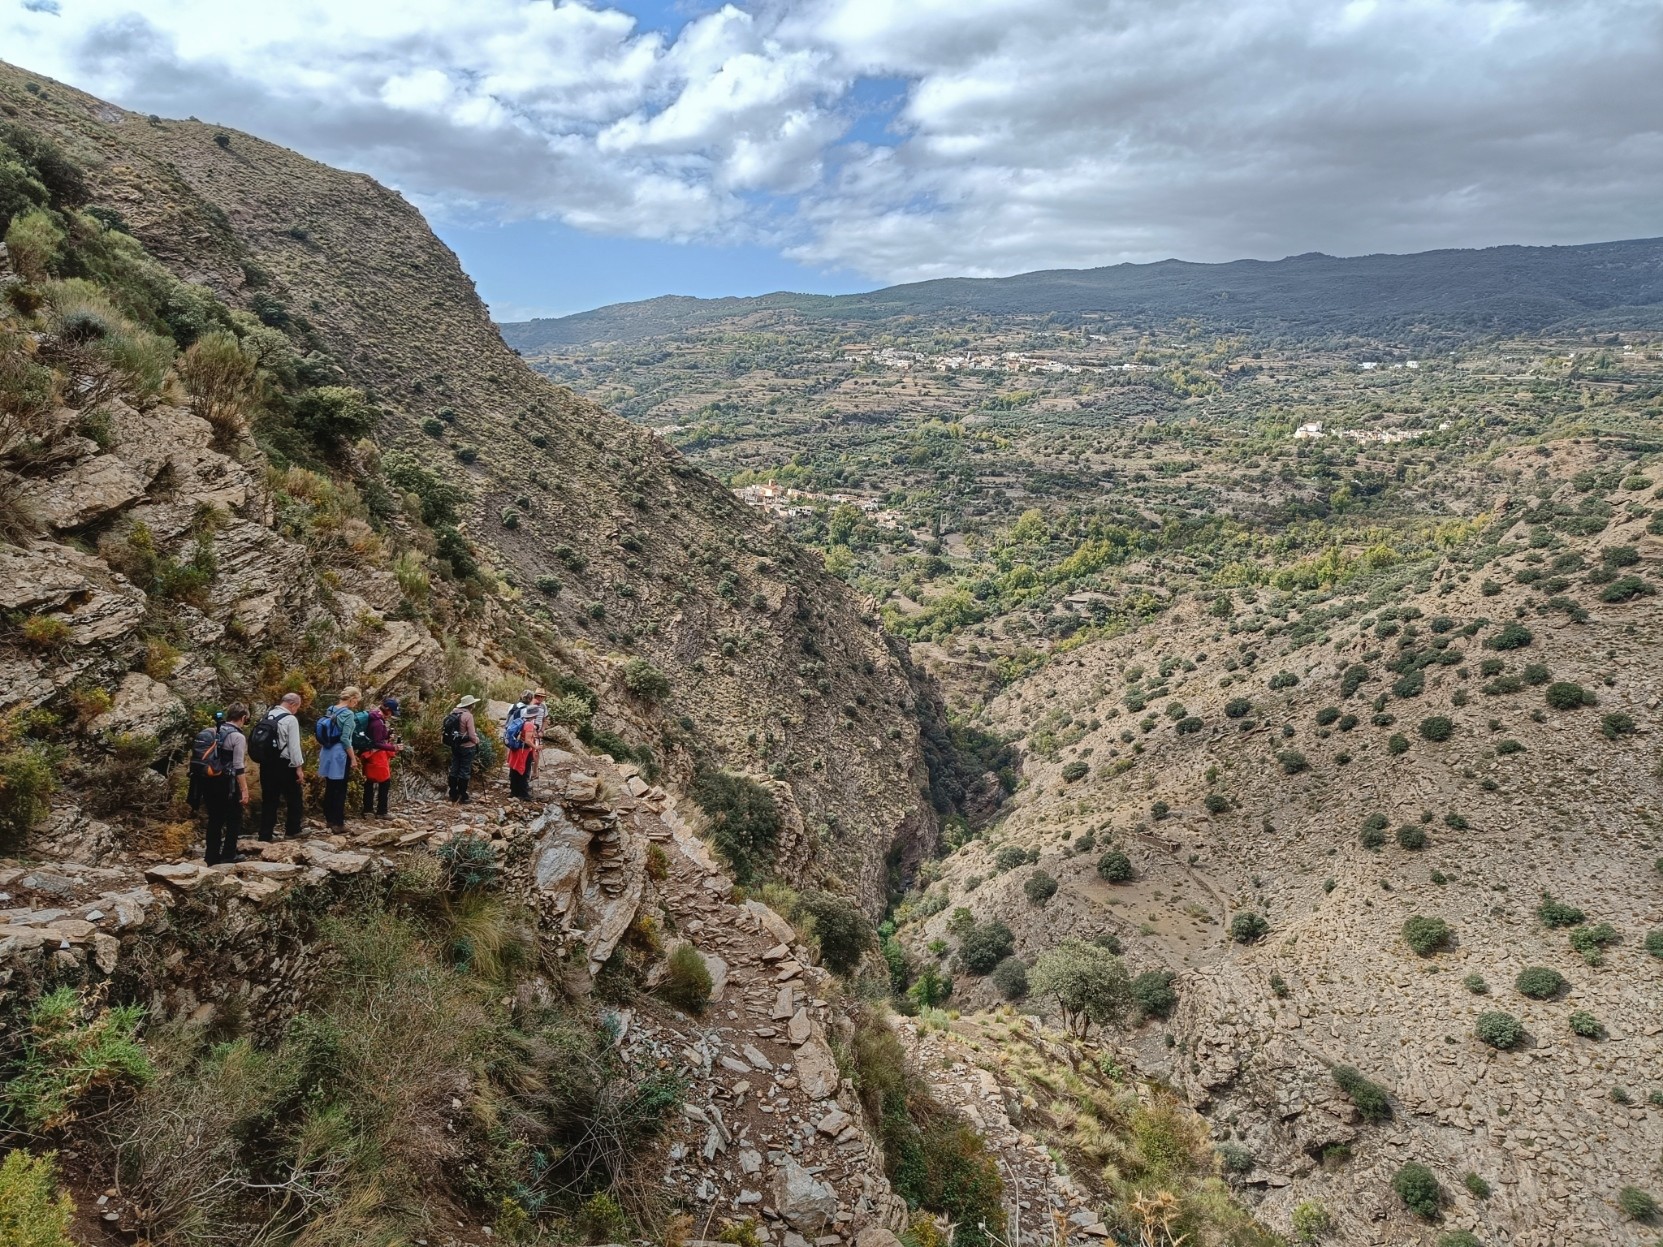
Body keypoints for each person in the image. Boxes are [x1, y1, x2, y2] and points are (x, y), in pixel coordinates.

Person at [253, 692, 305, 841]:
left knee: (269, 799)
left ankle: (265, 834)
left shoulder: (267, 715)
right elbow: (294, 747)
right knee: (294, 797)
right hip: (284, 764)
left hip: (266, 763)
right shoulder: (290, 719)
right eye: (297, 707)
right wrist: (298, 768)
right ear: (293, 704)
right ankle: (293, 829)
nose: (296, 710)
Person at [203, 704, 250, 865]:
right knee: (234, 818)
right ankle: (229, 854)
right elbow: (238, 766)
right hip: (227, 783)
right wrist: (244, 790)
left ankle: (211, 856)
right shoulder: (238, 737)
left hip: (209, 780)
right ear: (243, 718)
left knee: (215, 818)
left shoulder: (214, 731)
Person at [316, 686, 361, 832]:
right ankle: (338, 823)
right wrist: (353, 758)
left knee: (330, 786)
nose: (357, 703)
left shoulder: (330, 709)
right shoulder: (348, 714)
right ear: (352, 698)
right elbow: (345, 739)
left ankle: (329, 819)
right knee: (340, 788)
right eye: (357, 700)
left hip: (327, 751)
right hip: (339, 754)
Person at [360, 695, 400, 818]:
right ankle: (381, 811)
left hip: (368, 755)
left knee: (369, 782)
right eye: (391, 712)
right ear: (387, 709)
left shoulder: (375, 718)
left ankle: (368, 809)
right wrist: (394, 747)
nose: (391, 714)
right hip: (376, 756)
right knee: (384, 782)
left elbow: (377, 738)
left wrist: (387, 735)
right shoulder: (378, 722)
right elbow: (377, 743)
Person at [444, 694, 480, 803]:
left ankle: (452, 793)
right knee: (464, 770)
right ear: (471, 705)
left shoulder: (454, 712)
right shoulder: (468, 716)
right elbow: (472, 734)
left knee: (454, 768)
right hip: (467, 747)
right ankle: (462, 795)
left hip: (455, 745)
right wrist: (477, 741)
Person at [506, 696, 541, 801]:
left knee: (515, 769)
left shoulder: (522, 720)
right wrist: (536, 747)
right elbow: (527, 740)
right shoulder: (530, 724)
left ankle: (514, 792)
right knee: (524, 771)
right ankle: (524, 793)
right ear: (534, 715)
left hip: (517, 749)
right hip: (524, 750)